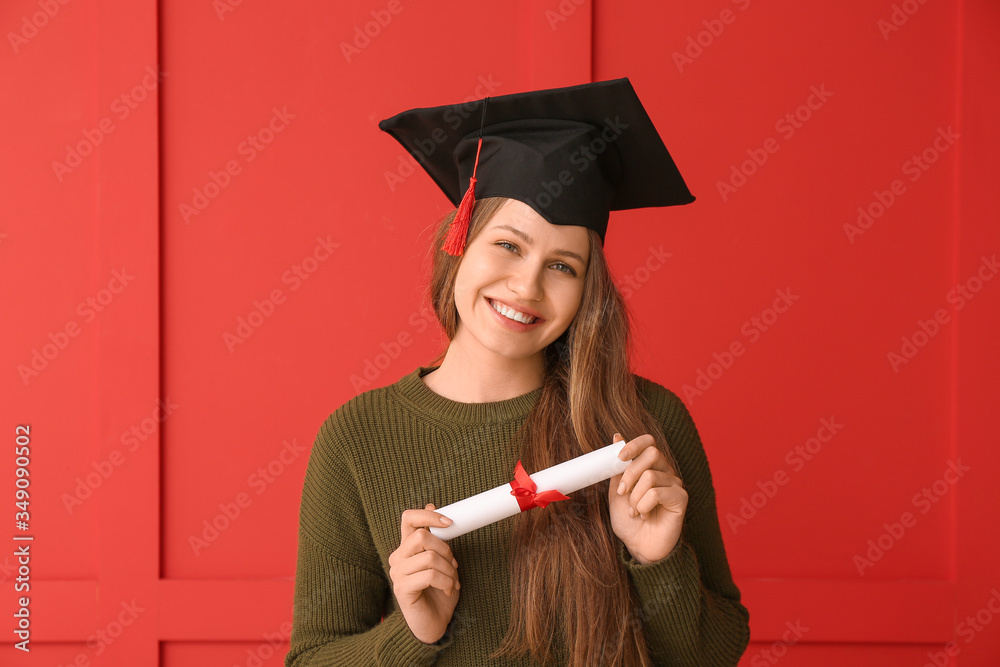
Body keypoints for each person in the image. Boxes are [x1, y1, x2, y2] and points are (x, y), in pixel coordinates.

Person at [286, 78, 750, 666]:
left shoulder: (642, 428)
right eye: (508, 245)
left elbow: (713, 654)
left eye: (562, 265)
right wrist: (415, 634)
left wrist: (658, 564)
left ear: (589, 291)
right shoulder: (356, 439)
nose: (527, 287)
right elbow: (310, 660)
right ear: (460, 240)